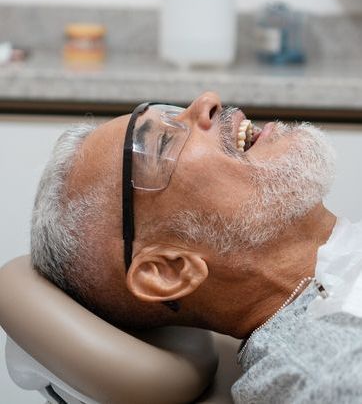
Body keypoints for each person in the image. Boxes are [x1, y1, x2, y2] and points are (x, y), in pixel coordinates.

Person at [31, 91, 362, 402]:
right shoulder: (328, 373)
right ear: (168, 271)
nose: (207, 100)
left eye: (170, 114)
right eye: (161, 143)